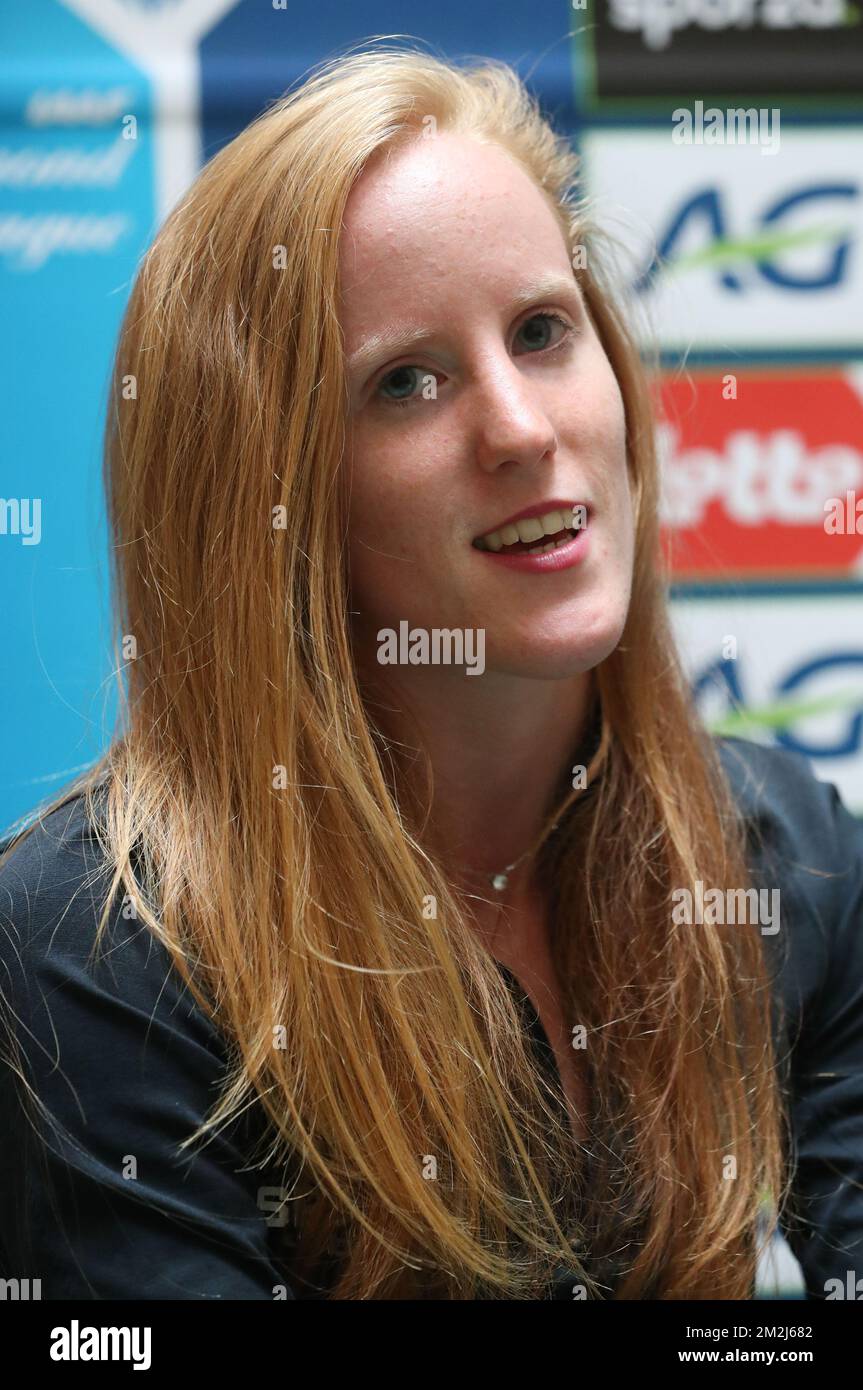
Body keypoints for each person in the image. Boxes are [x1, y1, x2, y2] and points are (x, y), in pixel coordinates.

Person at [1, 43, 861, 1301]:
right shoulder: (93, 949)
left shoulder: (785, 861)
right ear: (270, 501)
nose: (521, 428)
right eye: (405, 382)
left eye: (541, 332)